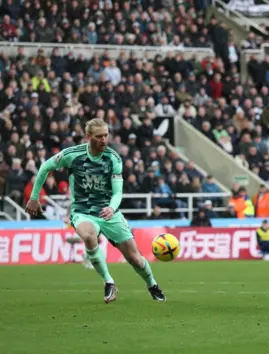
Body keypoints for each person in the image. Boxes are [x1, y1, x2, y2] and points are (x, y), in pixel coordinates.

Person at [25, 119, 166, 303]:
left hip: (108, 211)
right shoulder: (73, 155)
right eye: (99, 136)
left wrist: (112, 208)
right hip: (82, 211)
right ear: (88, 137)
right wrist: (34, 197)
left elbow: (118, 192)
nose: (104, 140)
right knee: (89, 236)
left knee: (135, 258)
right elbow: (45, 167)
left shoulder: (113, 158)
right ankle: (109, 282)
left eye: (106, 135)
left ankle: (152, 284)